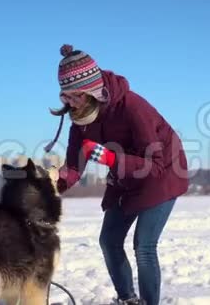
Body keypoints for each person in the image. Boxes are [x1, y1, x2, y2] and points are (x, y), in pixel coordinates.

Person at [46, 44, 189, 305]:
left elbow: (154, 165)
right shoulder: (80, 120)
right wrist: (50, 186)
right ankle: (127, 299)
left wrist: (109, 157)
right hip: (126, 178)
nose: (69, 103)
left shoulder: (133, 107)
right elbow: (74, 168)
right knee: (109, 241)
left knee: (144, 247)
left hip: (163, 174)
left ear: (91, 91)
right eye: (65, 96)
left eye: (74, 95)